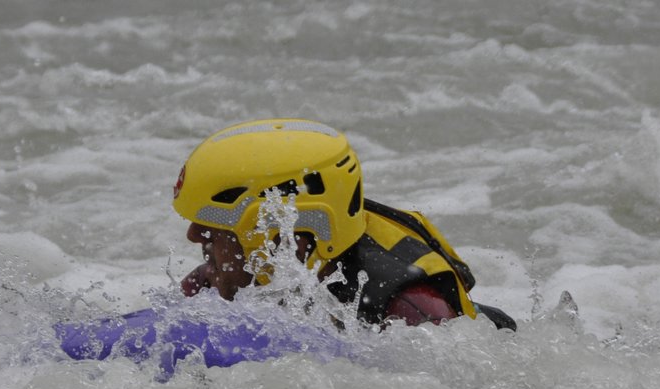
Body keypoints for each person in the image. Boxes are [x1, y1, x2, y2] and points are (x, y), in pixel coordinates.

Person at [172, 118, 516, 330]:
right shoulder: (212, 283)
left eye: (214, 224)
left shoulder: (410, 315)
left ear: (293, 233)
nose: (193, 235)